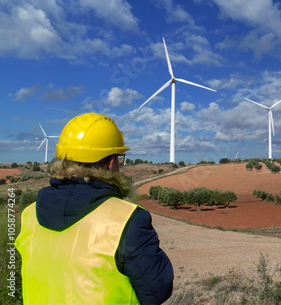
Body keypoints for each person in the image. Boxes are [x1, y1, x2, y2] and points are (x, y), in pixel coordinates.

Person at [16, 112, 174, 304]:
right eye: (119, 157)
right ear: (110, 162)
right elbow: (157, 290)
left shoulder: (29, 214)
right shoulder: (127, 220)